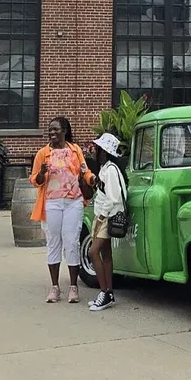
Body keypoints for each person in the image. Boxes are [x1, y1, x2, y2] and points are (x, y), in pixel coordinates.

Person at [31, 116, 93, 303]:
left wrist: (91, 179)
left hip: (73, 202)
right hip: (52, 202)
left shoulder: (75, 151)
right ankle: (55, 287)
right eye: (50, 130)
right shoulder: (43, 153)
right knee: (53, 241)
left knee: (72, 241)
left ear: (65, 131)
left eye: (56, 130)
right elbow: (35, 180)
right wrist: (42, 172)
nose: (52, 133)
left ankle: (73, 287)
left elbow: (85, 171)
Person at [88, 132, 126, 312]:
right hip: (105, 215)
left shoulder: (110, 170)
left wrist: (101, 217)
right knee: (106, 254)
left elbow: (113, 197)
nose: (96, 151)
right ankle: (108, 293)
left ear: (105, 151)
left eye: (99, 148)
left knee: (93, 252)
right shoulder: (106, 168)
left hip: (106, 216)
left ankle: (104, 292)